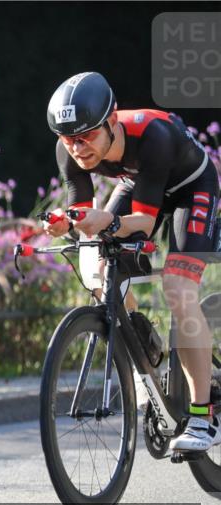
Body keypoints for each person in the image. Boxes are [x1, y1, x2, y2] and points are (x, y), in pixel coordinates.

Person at [44, 71, 220, 451]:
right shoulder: (71, 150)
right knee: (98, 262)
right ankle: (144, 345)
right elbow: (82, 209)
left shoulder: (152, 135)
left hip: (191, 188)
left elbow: (141, 221)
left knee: (178, 288)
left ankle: (204, 417)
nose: (77, 148)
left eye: (87, 136)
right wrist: (67, 222)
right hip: (138, 183)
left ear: (112, 121)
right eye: (68, 139)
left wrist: (104, 222)